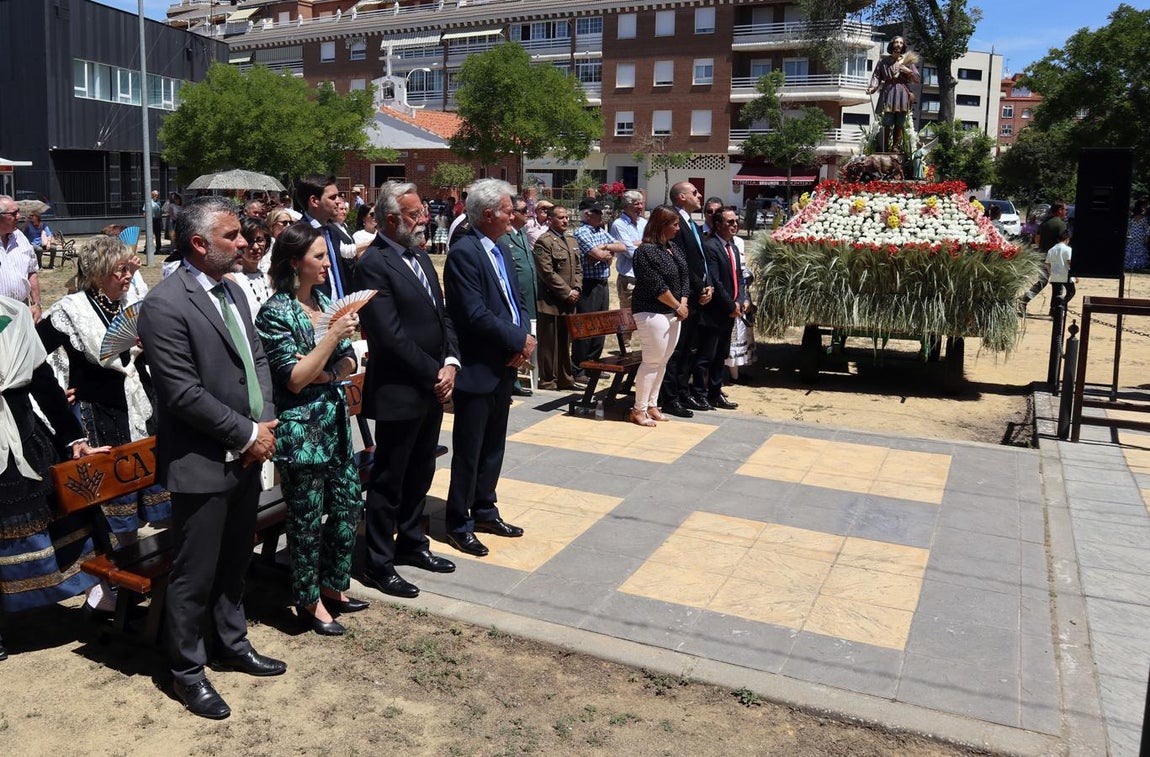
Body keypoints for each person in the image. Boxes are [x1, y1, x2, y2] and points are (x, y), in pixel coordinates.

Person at [138, 196, 285, 721]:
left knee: (233, 561)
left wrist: (264, 423)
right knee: (194, 572)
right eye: (232, 236)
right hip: (202, 461)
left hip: (247, 452)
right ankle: (187, 671)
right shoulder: (164, 304)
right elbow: (181, 392)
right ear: (199, 244)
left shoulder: (235, 291)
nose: (245, 242)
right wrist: (247, 434)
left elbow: (259, 360)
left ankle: (232, 642)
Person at [37, 235, 172, 607]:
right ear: (97, 275)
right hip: (99, 417)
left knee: (145, 495)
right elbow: (32, 359)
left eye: (130, 268)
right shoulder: (71, 310)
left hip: (138, 411)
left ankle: (132, 576)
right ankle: (104, 586)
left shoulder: (129, 304)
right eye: (121, 270)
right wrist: (59, 389)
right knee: (108, 505)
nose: (130, 276)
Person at [256, 222, 366, 635]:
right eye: (317, 256)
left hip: (335, 422)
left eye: (325, 255)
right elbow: (295, 378)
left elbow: (350, 363)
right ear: (293, 263)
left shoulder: (325, 301)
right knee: (304, 518)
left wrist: (327, 364)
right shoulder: (276, 312)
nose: (326, 263)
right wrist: (330, 347)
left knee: (346, 508)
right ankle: (308, 598)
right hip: (303, 433)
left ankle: (334, 585)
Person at [352, 182, 460, 599]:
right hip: (401, 388)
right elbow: (389, 336)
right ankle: (379, 562)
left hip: (432, 385)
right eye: (415, 215)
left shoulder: (418, 255)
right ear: (391, 219)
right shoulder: (373, 264)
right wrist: (434, 372)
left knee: (421, 471)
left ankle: (412, 542)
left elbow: (441, 314)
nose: (424, 220)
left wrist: (451, 362)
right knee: (389, 478)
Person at [0, 296, 109, 662]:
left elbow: (43, 380)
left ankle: (100, 598)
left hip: (25, 439)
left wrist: (73, 437)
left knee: (64, 519)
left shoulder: (12, 313)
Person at [442, 179, 533, 558]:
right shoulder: (464, 253)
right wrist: (517, 340)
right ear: (488, 214)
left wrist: (523, 338)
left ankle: (484, 509)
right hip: (480, 364)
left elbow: (518, 300)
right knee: (470, 448)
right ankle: (457, 521)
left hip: (505, 361)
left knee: (494, 444)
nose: (515, 214)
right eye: (509, 209)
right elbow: (474, 314)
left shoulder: (500, 248)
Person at [629, 206, 689, 427]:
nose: (677, 228)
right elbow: (656, 285)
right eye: (674, 224)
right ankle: (638, 409)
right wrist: (676, 305)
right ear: (661, 225)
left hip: (673, 312)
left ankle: (652, 405)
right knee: (652, 361)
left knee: (663, 361)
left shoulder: (672, 247)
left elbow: (684, 277)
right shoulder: (646, 251)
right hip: (651, 310)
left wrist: (683, 302)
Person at [659, 182, 712, 417]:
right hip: (682, 296)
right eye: (694, 192)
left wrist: (707, 285)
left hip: (697, 294)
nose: (699, 195)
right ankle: (670, 397)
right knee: (676, 349)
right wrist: (699, 287)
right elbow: (682, 262)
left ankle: (682, 391)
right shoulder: (675, 223)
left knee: (689, 348)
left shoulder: (693, 224)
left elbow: (700, 259)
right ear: (682, 197)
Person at [695, 207, 742, 410]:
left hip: (730, 311)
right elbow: (716, 280)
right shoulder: (711, 246)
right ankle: (699, 393)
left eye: (735, 221)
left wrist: (742, 299)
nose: (734, 225)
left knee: (721, 354)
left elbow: (738, 276)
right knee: (706, 355)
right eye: (730, 222)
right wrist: (731, 305)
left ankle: (716, 392)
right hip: (714, 311)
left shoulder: (732, 247)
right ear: (718, 224)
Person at [533, 205, 583, 391]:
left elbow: (578, 267)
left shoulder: (570, 240)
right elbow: (547, 273)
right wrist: (566, 292)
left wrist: (576, 288)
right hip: (551, 301)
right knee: (549, 343)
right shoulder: (544, 242)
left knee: (565, 341)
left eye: (567, 217)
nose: (565, 220)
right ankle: (548, 380)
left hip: (570, 301)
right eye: (561, 217)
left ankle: (565, 378)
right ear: (550, 220)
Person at [572, 204, 626, 369]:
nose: (601, 214)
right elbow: (600, 255)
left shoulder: (600, 231)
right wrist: (604, 254)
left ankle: (594, 363)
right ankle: (580, 366)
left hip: (602, 282)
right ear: (587, 214)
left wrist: (605, 248)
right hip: (589, 283)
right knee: (587, 325)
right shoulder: (582, 232)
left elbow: (622, 247)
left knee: (600, 325)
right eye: (597, 212)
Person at [499, 195, 537, 398]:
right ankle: (512, 380)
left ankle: (516, 377)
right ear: (512, 213)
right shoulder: (504, 237)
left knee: (526, 336)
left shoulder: (521, 233)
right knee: (514, 340)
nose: (528, 214)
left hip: (527, 298)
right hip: (514, 298)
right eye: (524, 211)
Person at [295, 174, 354, 300]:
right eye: (333, 197)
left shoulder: (334, 232)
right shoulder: (298, 236)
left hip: (340, 310)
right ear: (314, 201)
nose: (338, 201)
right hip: (313, 311)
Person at [866, 36, 920, 154]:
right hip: (888, 92)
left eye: (901, 43)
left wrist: (908, 71)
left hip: (902, 93)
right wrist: (873, 87)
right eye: (896, 42)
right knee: (887, 121)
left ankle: (895, 146)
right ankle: (884, 145)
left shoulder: (908, 62)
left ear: (903, 46)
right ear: (892, 45)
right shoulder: (884, 62)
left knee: (899, 121)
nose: (899, 45)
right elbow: (876, 76)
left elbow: (917, 78)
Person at [1020, 201, 1069, 313]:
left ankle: (1025, 298)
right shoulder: (1061, 224)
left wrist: (1042, 248)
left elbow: (1037, 238)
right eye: (1065, 209)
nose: (1066, 212)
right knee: (1058, 284)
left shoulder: (1044, 223)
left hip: (1043, 255)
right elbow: (1063, 242)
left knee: (1042, 281)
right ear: (1059, 210)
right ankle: (1054, 309)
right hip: (1056, 258)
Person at [0, 196, 42, 322]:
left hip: (22, 309)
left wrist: (37, 304)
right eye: (13, 214)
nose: (18, 216)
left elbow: (31, 271)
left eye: (18, 212)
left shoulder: (20, 238)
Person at [609, 190, 646, 325]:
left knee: (644, 316)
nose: (640, 207)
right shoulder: (619, 225)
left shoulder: (643, 223)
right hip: (629, 278)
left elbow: (654, 244)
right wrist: (643, 243)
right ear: (626, 206)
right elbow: (630, 253)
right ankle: (626, 345)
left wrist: (636, 243)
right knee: (627, 316)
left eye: (641, 204)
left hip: (645, 276)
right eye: (636, 204)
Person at [226, 217, 273, 317]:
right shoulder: (231, 279)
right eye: (250, 241)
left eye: (260, 240)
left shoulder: (269, 279)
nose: (256, 247)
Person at [1045, 228, 1075, 309]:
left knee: (1055, 294)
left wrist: (1050, 272)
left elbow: (1047, 263)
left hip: (1055, 274)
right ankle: (1062, 304)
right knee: (1071, 292)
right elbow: (1069, 262)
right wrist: (1075, 274)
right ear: (1067, 239)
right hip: (1066, 275)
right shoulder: (1068, 249)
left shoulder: (1051, 250)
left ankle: (1053, 310)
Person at [1126, 200, 1149, 271]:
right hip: (1140, 235)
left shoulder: (1131, 217)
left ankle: (1129, 264)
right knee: (1139, 249)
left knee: (1131, 248)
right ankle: (1138, 264)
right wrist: (1147, 236)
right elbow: (1146, 228)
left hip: (1132, 234)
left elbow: (1128, 226)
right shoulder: (1144, 218)